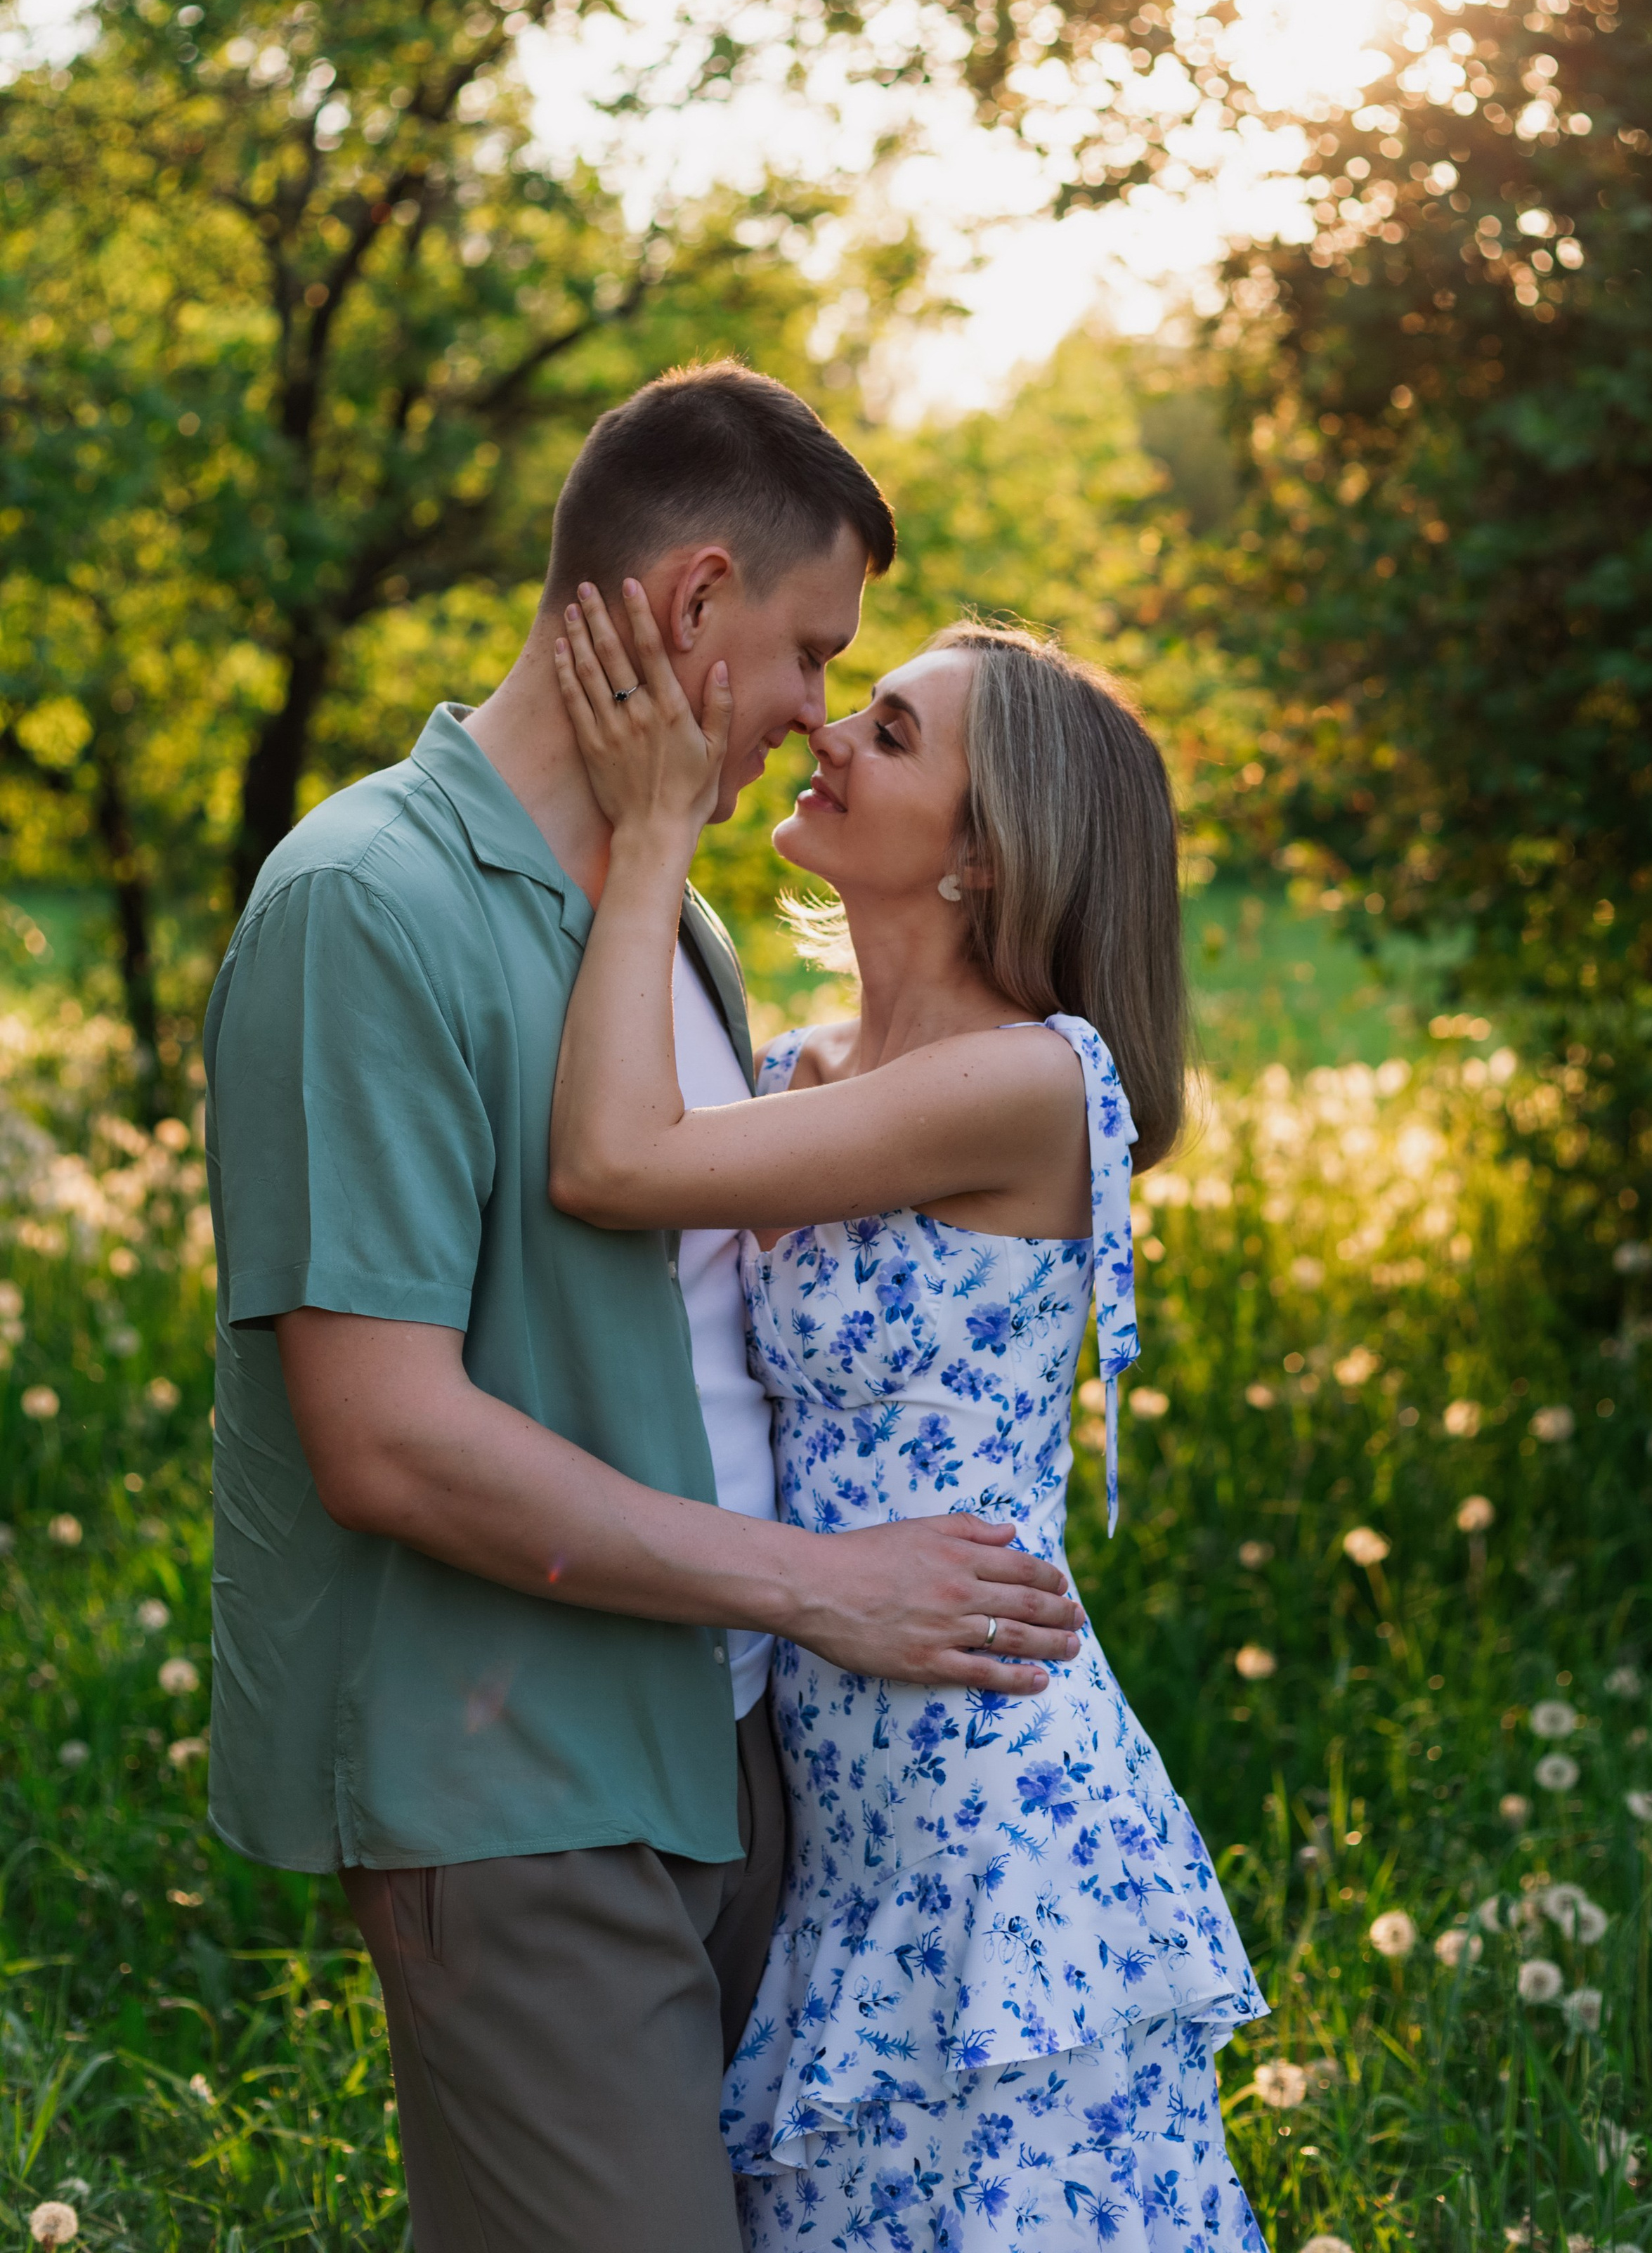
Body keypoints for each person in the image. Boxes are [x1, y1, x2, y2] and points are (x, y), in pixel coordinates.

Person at [201, 361, 1087, 2253]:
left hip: (746, 1759)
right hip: (517, 1781)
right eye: (807, 655)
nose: (816, 717)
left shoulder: (660, 907)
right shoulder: (366, 900)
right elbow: (383, 1440)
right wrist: (819, 1583)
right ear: (695, 605)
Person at [547, 580, 1270, 2251]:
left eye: (889, 732)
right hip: (847, 1811)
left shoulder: (1022, 1080)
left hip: (984, 1796)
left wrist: (659, 825)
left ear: (985, 853)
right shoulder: (800, 1072)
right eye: (847, 701)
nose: (826, 729)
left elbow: (612, 1162)